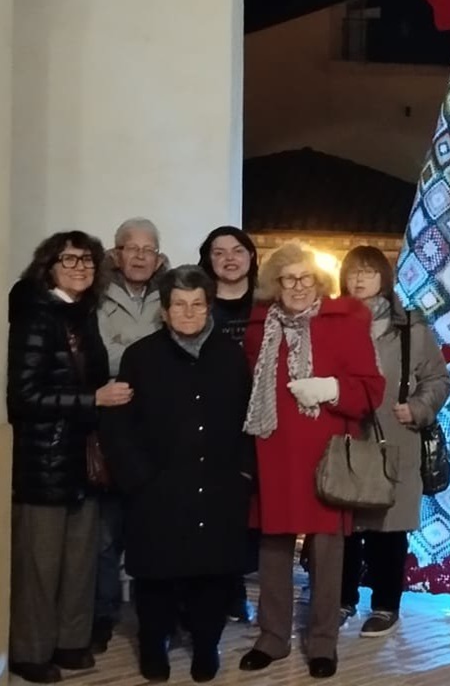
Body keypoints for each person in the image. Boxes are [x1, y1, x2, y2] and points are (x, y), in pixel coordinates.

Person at [101, 265, 254, 682]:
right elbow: (119, 426)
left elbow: (249, 418)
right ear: (165, 311)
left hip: (219, 487)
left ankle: (207, 646)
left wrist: (243, 473)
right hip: (158, 488)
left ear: (208, 308)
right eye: (179, 304)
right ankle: (154, 648)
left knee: (212, 575)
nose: (188, 312)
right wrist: (138, 480)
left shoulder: (229, 355)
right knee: (157, 577)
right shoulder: (141, 356)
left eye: (197, 304)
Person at [239, 243, 385, 679]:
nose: (298, 287)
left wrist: (330, 389)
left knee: (326, 552)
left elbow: (371, 391)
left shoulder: (343, 324)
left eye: (306, 278)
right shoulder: (258, 328)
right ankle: (272, 638)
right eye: (289, 279)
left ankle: (323, 643)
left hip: (326, 454)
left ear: (318, 282)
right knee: (274, 551)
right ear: (275, 285)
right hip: (274, 451)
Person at [7, 231, 132, 684]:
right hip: (42, 459)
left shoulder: (83, 315)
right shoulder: (35, 314)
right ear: (49, 264)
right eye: (70, 258)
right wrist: (93, 399)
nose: (80, 267)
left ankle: (70, 642)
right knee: (40, 563)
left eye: (88, 260)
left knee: (79, 557)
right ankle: (30, 651)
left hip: (83, 456)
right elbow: (22, 398)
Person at [338, 246, 450, 636]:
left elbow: (438, 379)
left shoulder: (410, 328)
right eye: (353, 272)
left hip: (396, 438)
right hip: (346, 437)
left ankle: (386, 604)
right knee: (345, 525)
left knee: (389, 527)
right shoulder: (330, 322)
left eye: (368, 272)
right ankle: (342, 598)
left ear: (384, 278)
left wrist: (418, 408)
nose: (359, 280)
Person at [92, 217, 168, 653]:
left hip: (157, 429)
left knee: (154, 529)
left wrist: (129, 358)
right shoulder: (96, 295)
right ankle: (102, 617)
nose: (140, 256)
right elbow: (97, 354)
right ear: (117, 254)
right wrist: (146, 359)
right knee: (106, 534)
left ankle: (153, 619)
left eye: (148, 249)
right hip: (110, 425)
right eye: (131, 248)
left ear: (158, 256)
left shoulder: (171, 293)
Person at [197, 225, 260, 623]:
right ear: (208, 260)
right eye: (219, 252)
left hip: (258, 421)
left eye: (237, 250)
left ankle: (237, 586)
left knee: (247, 511)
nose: (229, 258)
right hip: (208, 420)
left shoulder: (268, 303)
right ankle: (209, 592)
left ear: (252, 257)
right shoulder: (196, 305)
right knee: (208, 508)